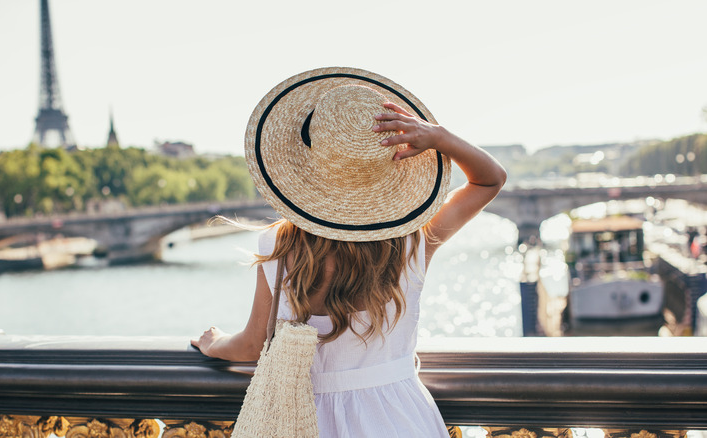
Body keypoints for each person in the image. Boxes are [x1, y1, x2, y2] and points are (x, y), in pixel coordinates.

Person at [191, 67, 507, 437]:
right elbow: (490, 178)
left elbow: (252, 344)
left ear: (303, 173)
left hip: (307, 420)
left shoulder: (279, 246)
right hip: (399, 418)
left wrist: (214, 344)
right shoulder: (414, 242)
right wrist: (437, 136)